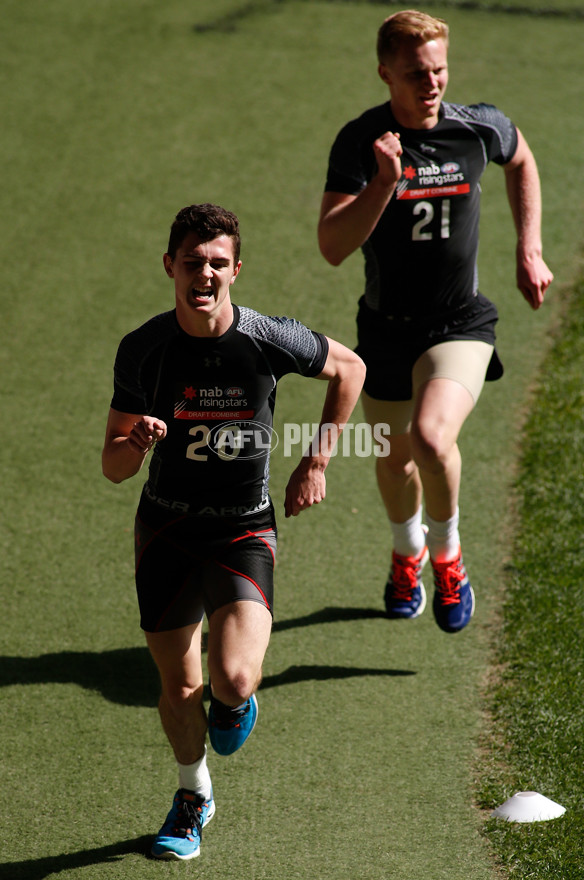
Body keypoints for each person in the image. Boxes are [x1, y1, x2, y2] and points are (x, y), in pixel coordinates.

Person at [102, 203, 365, 861]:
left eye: (218, 262)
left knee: (234, 680)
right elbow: (111, 466)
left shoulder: (267, 338)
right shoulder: (146, 348)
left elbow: (350, 369)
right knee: (177, 688)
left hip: (243, 531)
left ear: (236, 269)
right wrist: (134, 442)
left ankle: (232, 704)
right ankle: (193, 797)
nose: (205, 274)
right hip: (165, 527)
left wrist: (317, 459)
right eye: (192, 262)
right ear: (170, 266)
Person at [318, 9, 553, 633]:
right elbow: (333, 245)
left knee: (429, 438)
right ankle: (407, 552)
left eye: (440, 69)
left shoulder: (477, 127)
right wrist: (385, 183)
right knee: (393, 459)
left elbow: (521, 160)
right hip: (386, 329)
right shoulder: (360, 142)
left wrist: (528, 247)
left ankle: (448, 559)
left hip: (459, 323)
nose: (432, 84)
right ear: (385, 73)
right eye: (417, 72)